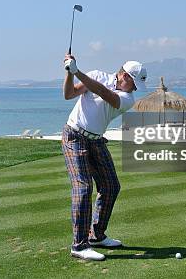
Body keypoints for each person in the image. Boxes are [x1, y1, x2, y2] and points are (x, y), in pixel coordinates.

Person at [62, 53, 147, 261]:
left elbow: (103, 92)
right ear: (124, 76)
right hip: (74, 136)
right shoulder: (96, 75)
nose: (135, 89)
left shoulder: (127, 99)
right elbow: (68, 94)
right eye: (134, 84)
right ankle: (79, 245)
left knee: (111, 185)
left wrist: (77, 71)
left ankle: (96, 235)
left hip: (96, 140)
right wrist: (69, 73)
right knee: (83, 188)